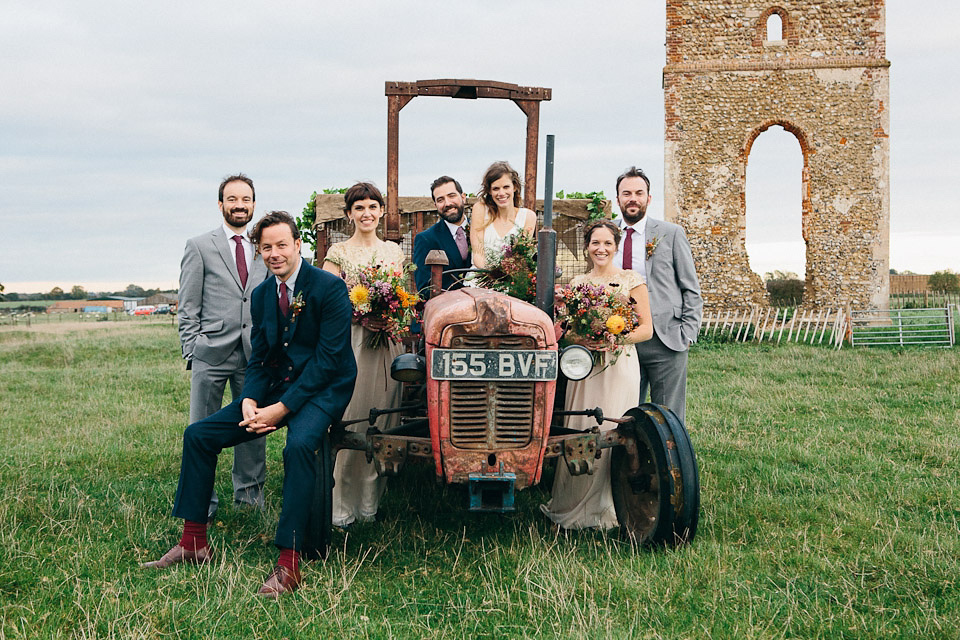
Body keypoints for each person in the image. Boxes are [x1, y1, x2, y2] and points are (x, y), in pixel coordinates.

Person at [142, 211, 356, 599]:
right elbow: (260, 359)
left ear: (297, 245)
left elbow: (328, 361)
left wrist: (282, 410)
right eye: (266, 247)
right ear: (259, 251)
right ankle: (194, 543)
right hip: (277, 387)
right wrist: (252, 399)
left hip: (325, 388)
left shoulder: (329, 288)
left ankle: (289, 565)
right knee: (199, 434)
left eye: (281, 245)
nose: (274, 254)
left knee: (298, 446)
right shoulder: (261, 295)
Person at [541, 220, 653, 530]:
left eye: (607, 243)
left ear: (616, 246)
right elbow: (568, 331)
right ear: (587, 247)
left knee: (613, 428)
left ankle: (610, 507)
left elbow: (646, 329)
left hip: (619, 364)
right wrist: (582, 339)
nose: (600, 249)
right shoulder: (578, 284)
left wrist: (617, 338)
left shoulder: (631, 280)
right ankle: (573, 505)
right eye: (594, 243)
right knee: (582, 425)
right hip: (586, 367)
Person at [177, 174, 268, 516]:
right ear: (221, 205)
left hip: (255, 355)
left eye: (246, 199)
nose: (239, 205)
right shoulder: (200, 246)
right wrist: (193, 350)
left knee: (252, 429)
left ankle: (249, 498)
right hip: (210, 353)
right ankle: (202, 501)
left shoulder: (264, 247)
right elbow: (187, 305)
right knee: (202, 430)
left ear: (254, 204)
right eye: (232, 199)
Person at [322, 182, 406, 528]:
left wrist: (389, 313)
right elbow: (329, 300)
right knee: (352, 417)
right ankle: (341, 506)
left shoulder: (394, 252)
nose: (366, 213)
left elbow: (402, 296)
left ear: (382, 211)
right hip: (354, 342)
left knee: (383, 421)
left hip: (386, 342)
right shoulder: (338, 254)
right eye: (359, 208)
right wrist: (359, 314)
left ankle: (370, 504)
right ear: (348, 215)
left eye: (373, 206)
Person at [613, 166, 702, 423]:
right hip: (621, 337)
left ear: (649, 198)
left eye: (639, 193)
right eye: (626, 193)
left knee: (669, 417)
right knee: (624, 412)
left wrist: (688, 333)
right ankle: (628, 462)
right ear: (617, 198)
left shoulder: (671, 233)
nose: (633, 198)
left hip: (667, 338)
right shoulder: (607, 235)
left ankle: (670, 462)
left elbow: (691, 287)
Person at [469, 161, 537, 269]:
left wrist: (504, 278)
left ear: (514, 187)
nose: (501, 193)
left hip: (510, 279)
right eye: (496, 188)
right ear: (490, 191)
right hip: (479, 277)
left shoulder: (528, 217)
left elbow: (521, 256)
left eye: (506, 187)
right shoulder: (480, 209)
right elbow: (478, 253)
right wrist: (492, 274)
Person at [412, 175, 471, 294]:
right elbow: (424, 289)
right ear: (435, 206)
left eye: (452, 196)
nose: (447, 203)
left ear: (463, 197)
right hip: (447, 309)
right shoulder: (425, 239)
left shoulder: (482, 230)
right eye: (440, 200)